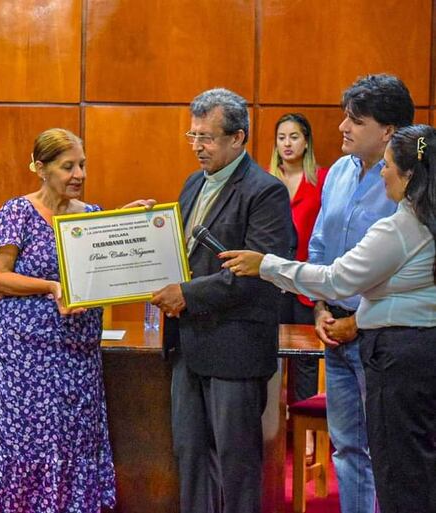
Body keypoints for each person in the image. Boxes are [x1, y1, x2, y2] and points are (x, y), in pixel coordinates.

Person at [220, 123, 436, 513]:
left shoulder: (402, 226)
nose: (382, 173)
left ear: (409, 175)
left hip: (399, 356)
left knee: (399, 470)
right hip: (419, 352)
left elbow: (338, 278)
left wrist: (266, 264)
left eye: (388, 166)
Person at [0, 128, 155, 513]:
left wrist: (127, 228)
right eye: (67, 167)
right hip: (22, 356)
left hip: (76, 355)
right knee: (23, 443)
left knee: (71, 442)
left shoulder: (94, 215)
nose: (78, 174)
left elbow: (107, 274)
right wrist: (51, 287)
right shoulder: (18, 211)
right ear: (40, 168)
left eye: (82, 165)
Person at [150, 88, 292, 513]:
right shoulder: (193, 182)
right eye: (192, 136)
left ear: (238, 138)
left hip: (235, 349)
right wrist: (146, 225)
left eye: (207, 137)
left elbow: (254, 276)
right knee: (190, 458)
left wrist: (186, 295)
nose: (197, 147)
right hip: (188, 346)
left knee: (237, 466)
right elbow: (181, 254)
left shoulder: (266, 192)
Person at [307, 74, 413, 513]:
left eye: (356, 120)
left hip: (382, 336)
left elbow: (411, 271)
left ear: (388, 131)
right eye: (344, 118)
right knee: (346, 449)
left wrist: (357, 321)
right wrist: (319, 308)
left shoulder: (411, 184)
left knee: (389, 454)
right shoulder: (337, 173)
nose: (342, 128)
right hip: (334, 330)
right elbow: (318, 248)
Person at [269, 114, 329, 415]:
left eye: (294, 136)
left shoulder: (323, 180)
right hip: (272, 280)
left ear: (306, 142)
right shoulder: (266, 182)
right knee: (272, 353)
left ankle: (304, 426)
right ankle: (275, 425)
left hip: (307, 281)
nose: (287, 143)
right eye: (281, 137)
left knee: (306, 358)